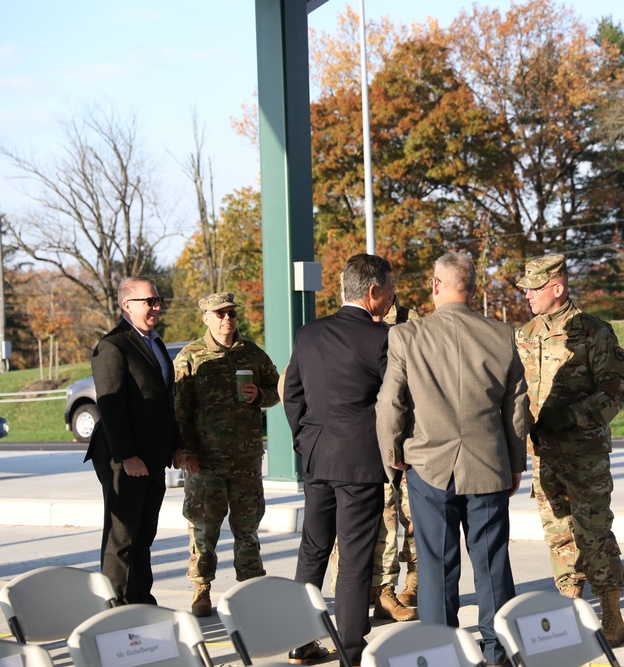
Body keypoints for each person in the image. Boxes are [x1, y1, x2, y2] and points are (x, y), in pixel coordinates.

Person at [376, 251, 528, 667]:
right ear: (474, 289)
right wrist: (515, 464)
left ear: (435, 286)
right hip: (489, 466)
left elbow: (390, 402)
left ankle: (440, 652)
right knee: (492, 563)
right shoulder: (502, 335)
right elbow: (517, 409)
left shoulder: (407, 336)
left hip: (428, 467)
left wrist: (393, 455)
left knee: (436, 565)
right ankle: (498, 651)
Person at [284, 253, 395, 666]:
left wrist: (304, 438)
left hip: (316, 457)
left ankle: (300, 641)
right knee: (354, 557)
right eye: (390, 289)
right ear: (372, 292)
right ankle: (350, 650)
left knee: (312, 548)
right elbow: (394, 402)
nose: (392, 297)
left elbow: (292, 393)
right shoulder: (381, 338)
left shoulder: (309, 334)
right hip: (359, 463)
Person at [514, 253, 624, 647]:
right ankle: (569, 608)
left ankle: (610, 612)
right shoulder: (524, 334)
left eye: (533, 289)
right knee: (558, 535)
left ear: (557, 288)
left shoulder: (594, 332)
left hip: (584, 455)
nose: (527, 295)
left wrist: (567, 418)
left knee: (594, 532)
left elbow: (614, 394)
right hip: (543, 455)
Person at [173, 292, 281, 617]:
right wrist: (187, 452)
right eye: (219, 314)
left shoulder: (252, 354)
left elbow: (279, 389)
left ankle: (251, 587)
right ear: (206, 318)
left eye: (231, 314)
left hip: (246, 459)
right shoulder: (190, 357)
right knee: (204, 528)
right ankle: (201, 588)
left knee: (247, 527)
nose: (226, 320)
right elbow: (179, 410)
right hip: (206, 462)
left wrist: (260, 395)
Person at [85, 276, 184, 605]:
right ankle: (114, 607)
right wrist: (127, 456)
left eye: (158, 300)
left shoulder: (155, 342)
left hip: (153, 456)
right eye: (149, 301)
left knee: (144, 534)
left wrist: (176, 445)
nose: (156, 307)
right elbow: (110, 406)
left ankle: (140, 601)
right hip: (123, 457)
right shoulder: (112, 346)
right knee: (122, 537)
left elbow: (162, 401)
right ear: (127, 305)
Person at [330, 294, 419, 623]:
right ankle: (356, 595)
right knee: (365, 523)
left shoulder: (410, 323)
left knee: (405, 521)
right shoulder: (347, 324)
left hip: (403, 442)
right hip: (361, 443)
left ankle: (393, 589)